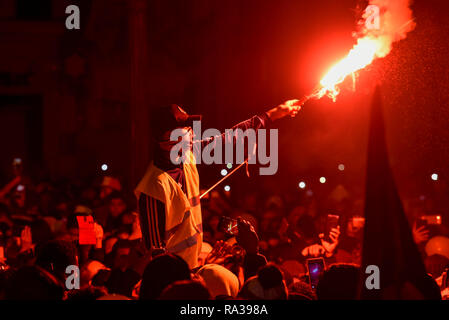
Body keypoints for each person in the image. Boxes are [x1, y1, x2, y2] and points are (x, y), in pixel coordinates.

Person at [135, 101, 302, 269]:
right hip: (172, 280)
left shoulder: (187, 156)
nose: (191, 132)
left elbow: (228, 138)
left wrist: (272, 114)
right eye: (184, 128)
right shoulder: (153, 187)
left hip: (191, 268)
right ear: (169, 138)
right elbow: (155, 254)